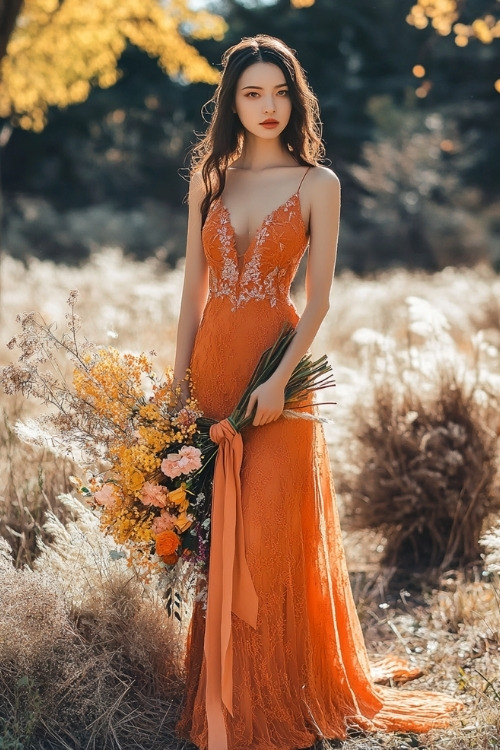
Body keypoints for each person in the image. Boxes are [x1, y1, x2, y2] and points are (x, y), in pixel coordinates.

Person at [173, 34, 460, 750]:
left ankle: (278, 695)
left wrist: (275, 382)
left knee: (268, 537)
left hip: (279, 373)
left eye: (279, 93)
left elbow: (322, 299)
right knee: (219, 545)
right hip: (212, 372)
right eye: (251, 93)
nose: (268, 106)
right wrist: (176, 390)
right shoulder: (210, 178)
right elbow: (189, 298)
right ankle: (221, 691)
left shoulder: (317, 184)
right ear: (231, 102)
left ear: (294, 99)